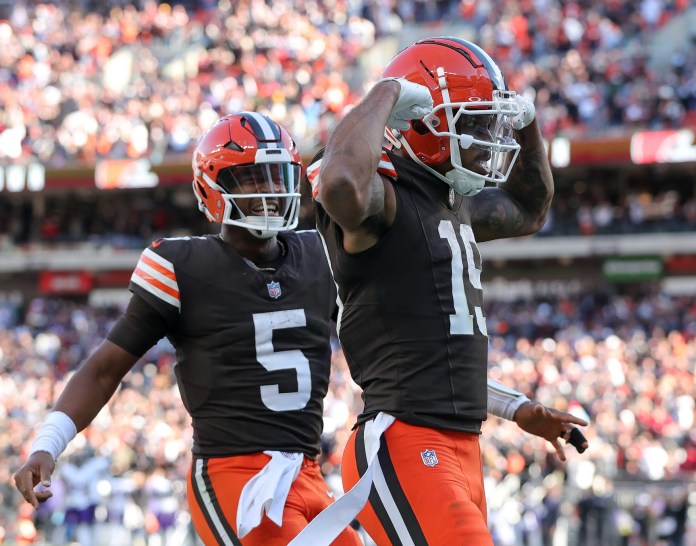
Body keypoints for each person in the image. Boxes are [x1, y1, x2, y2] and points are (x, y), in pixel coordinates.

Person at [13, 112, 362, 546]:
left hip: (309, 474)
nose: (270, 191)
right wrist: (48, 444)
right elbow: (105, 368)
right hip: (236, 476)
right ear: (212, 189)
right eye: (252, 178)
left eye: (277, 176)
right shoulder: (183, 267)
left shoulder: (318, 254)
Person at [299, 37, 589, 545]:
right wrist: (387, 92)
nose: (485, 138)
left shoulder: (450, 202)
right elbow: (340, 184)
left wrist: (527, 122)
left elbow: (531, 207)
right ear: (419, 120)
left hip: (460, 443)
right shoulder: (385, 197)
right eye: (472, 123)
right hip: (405, 440)